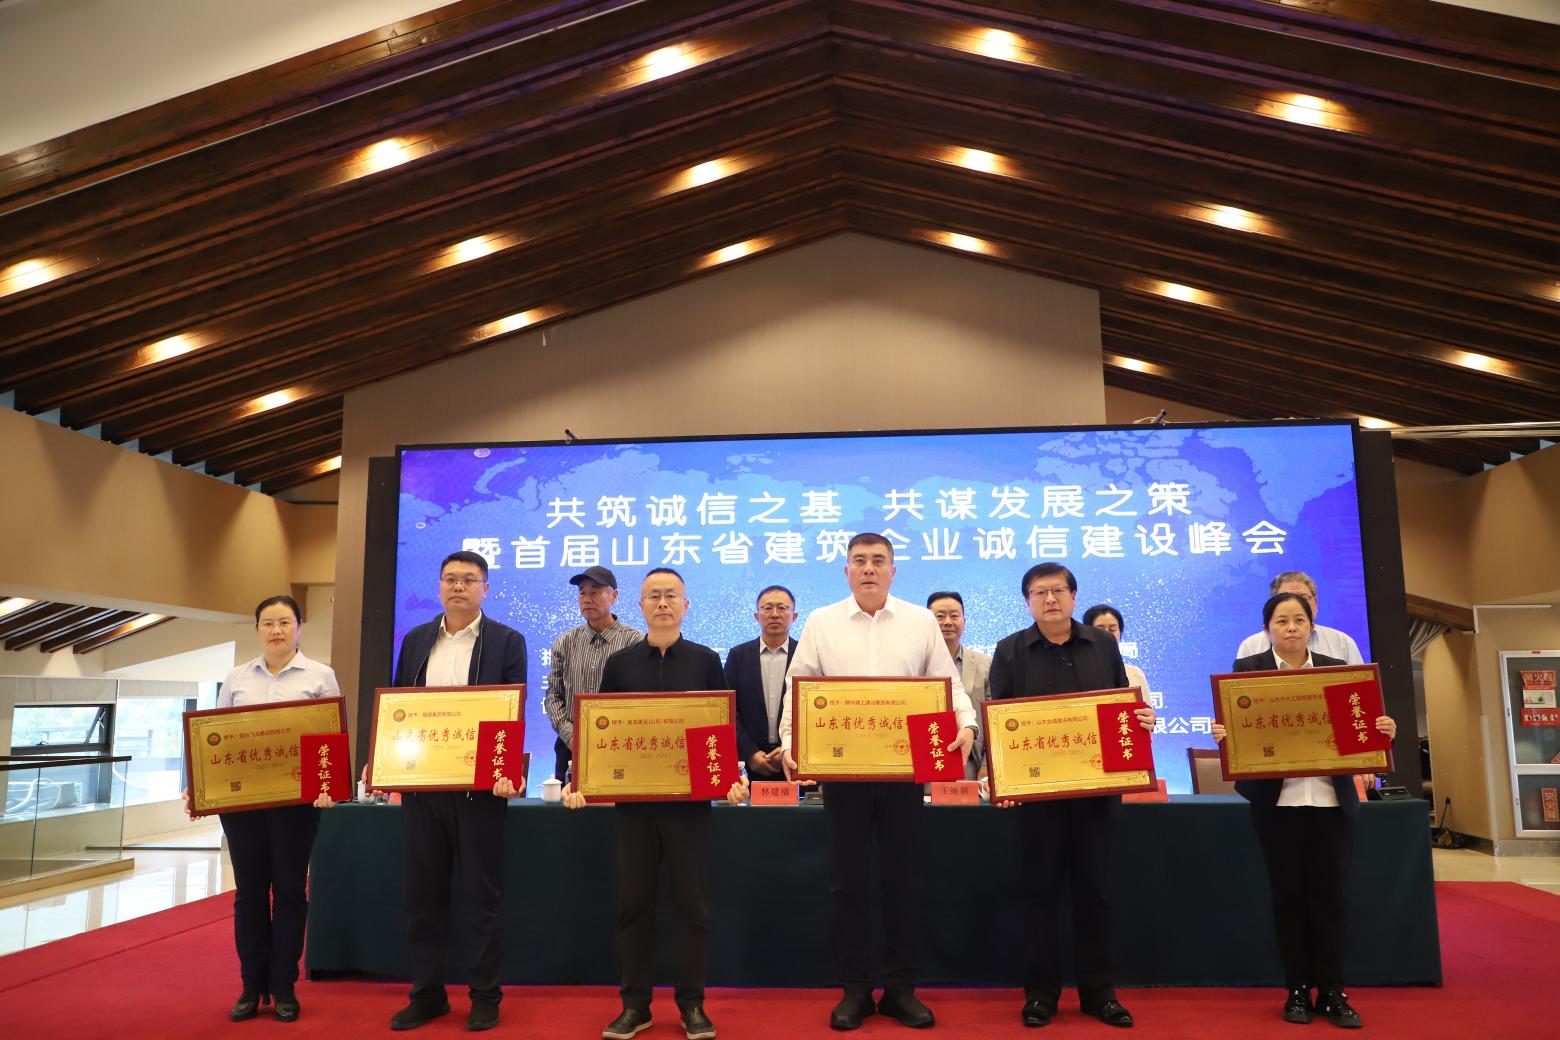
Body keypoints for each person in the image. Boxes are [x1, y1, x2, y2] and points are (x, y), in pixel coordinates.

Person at [773, 533, 977, 1031]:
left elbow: (947, 683)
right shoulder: (821, 622)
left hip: (904, 775)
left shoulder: (920, 621)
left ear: (892, 570)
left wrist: (967, 724)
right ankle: (857, 989)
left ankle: (902, 989)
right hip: (843, 775)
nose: (868, 568)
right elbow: (798, 689)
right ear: (846, 571)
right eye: (859, 561)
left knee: (903, 880)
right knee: (848, 883)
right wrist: (791, 740)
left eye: (878, 561)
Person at [1212, 591, 1396, 1030]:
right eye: (1281, 620)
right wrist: (1225, 733)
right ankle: (1296, 988)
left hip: (1331, 801)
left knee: (1331, 898)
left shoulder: (1338, 671)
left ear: (1312, 627)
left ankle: (1332, 991)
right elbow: (1237, 730)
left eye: (1299, 619)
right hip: (1278, 804)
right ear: (1267, 630)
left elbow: (1362, 730)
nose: (1291, 627)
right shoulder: (1248, 671)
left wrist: (1383, 730)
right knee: (1289, 897)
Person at [988, 564, 1155, 1030]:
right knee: (1039, 896)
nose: (1050, 599)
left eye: (1058, 590)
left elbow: (1121, 705)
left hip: (1094, 797)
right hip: (1037, 800)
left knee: (1094, 895)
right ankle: (1040, 996)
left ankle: (1099, 994)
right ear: (1027, 602)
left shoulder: (1102, 644)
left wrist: (1139, 720)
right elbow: (999, 720)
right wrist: (1005, 780)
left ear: (1073, 596)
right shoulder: (1009, 650)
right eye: (1039, 593)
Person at [563, 568, 726, 1040]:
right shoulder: (620, 664)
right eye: (653, 596)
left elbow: (719, 728)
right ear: (639, 605)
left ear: (686, 605)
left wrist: (726, 779)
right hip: (634, 807)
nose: (662, 603)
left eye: (671, 595)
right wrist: (583, 781)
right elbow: (601, 729)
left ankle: (692, 1005)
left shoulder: (705, 661)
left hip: (689, 808)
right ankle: (635, 1006)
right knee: (634, 906)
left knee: (692, 908)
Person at [183, 594, 339, 1024]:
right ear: (257, 629)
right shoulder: (236, 677)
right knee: (249, 893)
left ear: (299, 627)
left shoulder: (320, 675)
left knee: (289, 892)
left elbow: (331, 738)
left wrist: (329, 785)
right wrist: (199, 787)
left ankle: (284, 985)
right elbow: (212, 739)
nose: (276, 630)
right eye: (268, 623)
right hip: (243, 804)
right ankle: (251, 986)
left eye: (284, 622)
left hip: (297, 804)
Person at [388, 550, 526, 1032]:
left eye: (469, 579)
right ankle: (427, 995)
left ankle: (485, 996)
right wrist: (386, 761)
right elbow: (398, 707)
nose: (459, 587)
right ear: (439, 586)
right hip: (424, 791)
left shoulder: (506, 641)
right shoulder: (416, 640)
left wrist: (505, 770)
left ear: (485, 588)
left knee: (482, 899)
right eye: (450, 579)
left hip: (479, 794)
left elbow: (510, 712)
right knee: (423, 897)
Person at [543, 566, 644, 781]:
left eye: (595, 592)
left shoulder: (635, 641)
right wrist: (570, 735)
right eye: (582, 593)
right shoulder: (565, 641)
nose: (587, 599)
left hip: (619, 745)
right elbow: (553, 695)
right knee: (569, 802)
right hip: (571, 748)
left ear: (614, 596)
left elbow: (640, 699)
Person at [725, 585, 798, 779]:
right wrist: (749, 752)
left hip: (794, 762)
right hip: (749, 766)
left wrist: (789, 747)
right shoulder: (738, 655)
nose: (774, 614)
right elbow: (728, 709)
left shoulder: (804, 655)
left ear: (794, 616)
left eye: (782, 608)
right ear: (757, 616)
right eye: (767, 608)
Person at [927, 591, 991, 780]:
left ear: (965, 621)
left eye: (954, 616)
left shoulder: (985, 664)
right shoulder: (915, 664)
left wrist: (987, 765)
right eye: (940, 616)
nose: (947, 622)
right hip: (927, 760)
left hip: (971, 764)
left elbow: (993, 719)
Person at [1235, 572, 1363, 665]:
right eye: (1286, 597)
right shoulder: (1251, 646)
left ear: (1316, 602)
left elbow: (1359, 689)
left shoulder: (1342, 643)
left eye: (1304, 598)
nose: (1296, 604)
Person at [1082, 604, 1151, 701]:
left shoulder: (1134, 673)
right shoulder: (1078, 672)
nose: (1106, 635)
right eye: (1099, 629)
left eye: (1112, 629)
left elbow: (1146, 708)